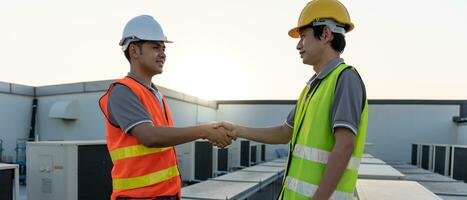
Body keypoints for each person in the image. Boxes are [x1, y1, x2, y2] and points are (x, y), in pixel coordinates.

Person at [217, 0, 368, 199]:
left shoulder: (345, 79)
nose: (298, 45)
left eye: (303, 36)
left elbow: (345, 145)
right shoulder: (312, 87)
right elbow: (283, 133)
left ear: (325, 35)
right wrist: (237, 129)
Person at [98, 15, 232, 200]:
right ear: (134, 50)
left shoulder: (156, 94)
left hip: (167, 195)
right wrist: (204, 131)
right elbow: (150, 137)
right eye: (155, 47)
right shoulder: (123, 91)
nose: (163, 54)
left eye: (163, 48)